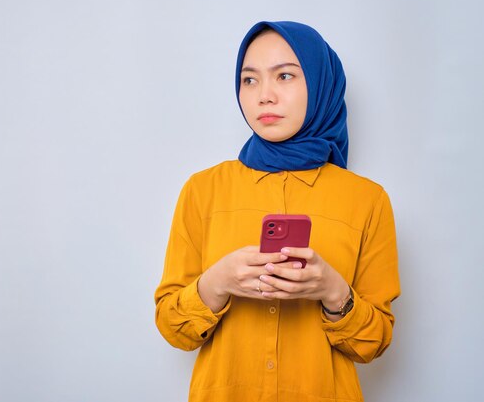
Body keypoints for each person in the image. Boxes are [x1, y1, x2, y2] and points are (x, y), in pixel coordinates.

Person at [154, 21, 400, 402]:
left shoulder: (368, 200)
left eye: (284, 76)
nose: (263, 96)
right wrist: (215, 283)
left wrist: (334, 293)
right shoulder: (202, 191)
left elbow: (373, 344)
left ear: (321, 85)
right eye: (249, 80)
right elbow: (173, 328)